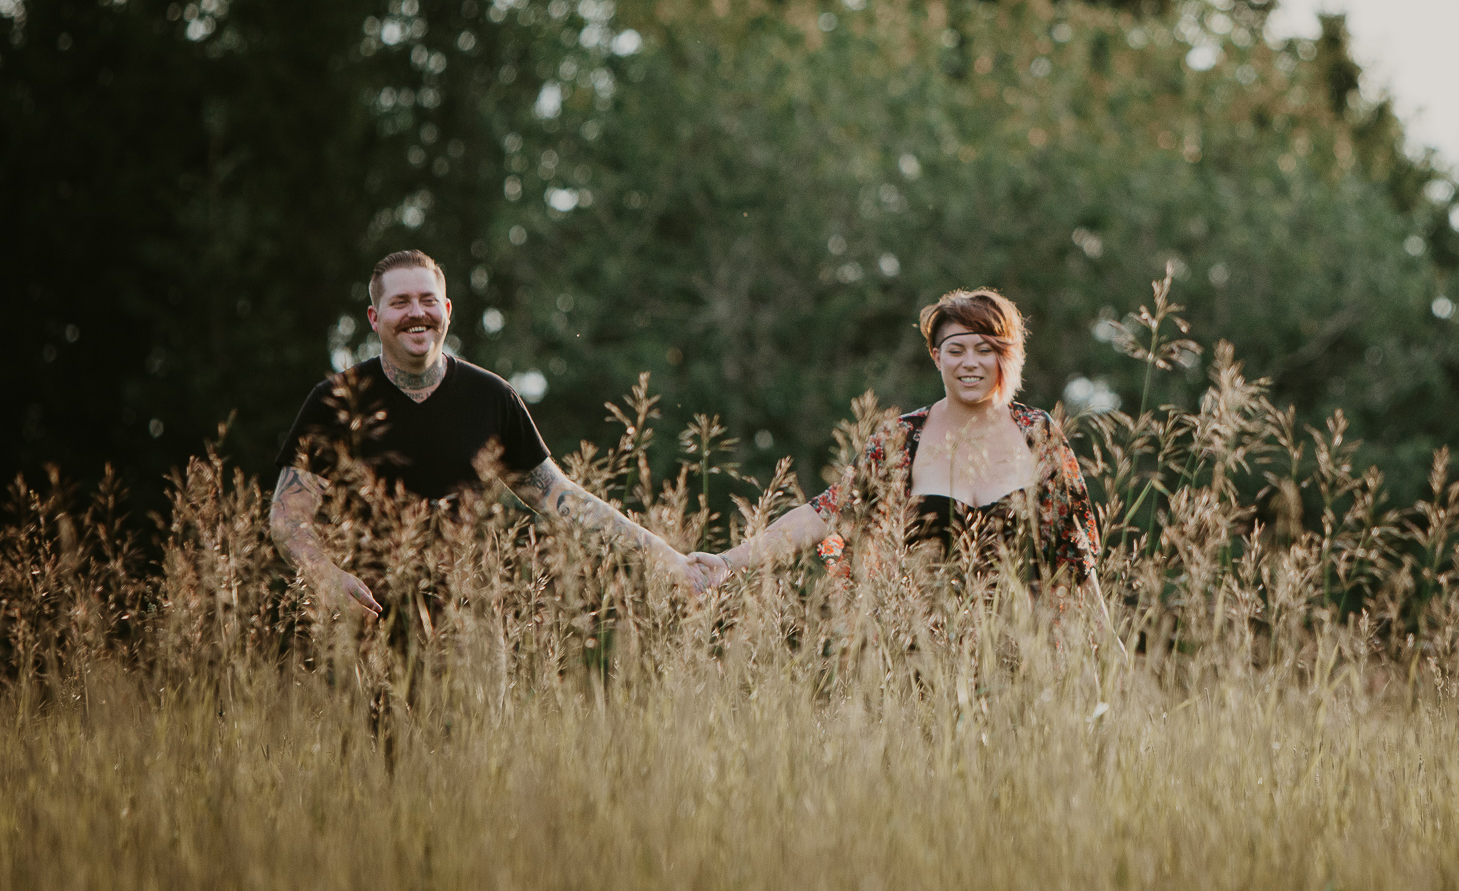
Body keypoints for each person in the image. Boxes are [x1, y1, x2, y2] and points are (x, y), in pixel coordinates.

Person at [271, 249, 711, 616]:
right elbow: (288, 517)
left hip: (469, 630)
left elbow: (560, 498)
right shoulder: (336, 400)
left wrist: (666, 557)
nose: (416, 313)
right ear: (374, 316)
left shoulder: (491, 397)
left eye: (427, 300)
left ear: (446, 310)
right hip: (362, 624)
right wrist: (327, 579)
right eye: (400, 302)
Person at [686, 289, 1114, 628]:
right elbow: (825, 514)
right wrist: (728, 561)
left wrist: (1106, 637)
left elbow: (1075, 549)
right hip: (924, 658)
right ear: (936, 356)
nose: (970, 362)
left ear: (1007, 356)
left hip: (1029, 652)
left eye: (985, 349)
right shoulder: (901, 439)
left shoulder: (1037, 434)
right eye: (956, 348)